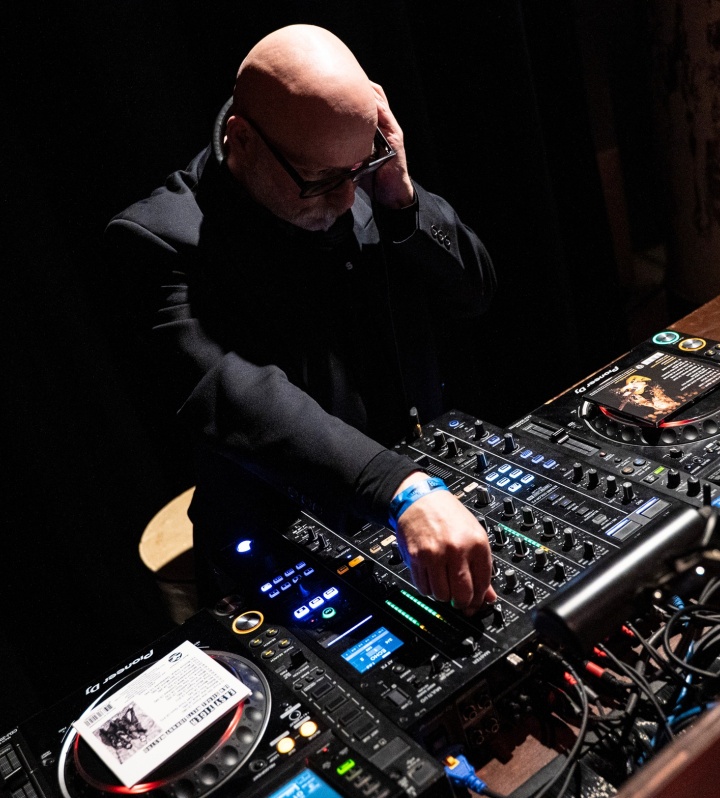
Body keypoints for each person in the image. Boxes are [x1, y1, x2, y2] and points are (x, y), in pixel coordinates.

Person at [105, 24, 497, 614]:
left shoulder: (358, 173)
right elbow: (241, 398)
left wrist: (401, 200)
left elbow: (474, 295)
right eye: (322, 181)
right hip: (284, 542)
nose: (346, 199)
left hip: (423, 500)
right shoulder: (157, 241)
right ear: (242, 140)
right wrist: (398, 489)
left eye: (359, 168)